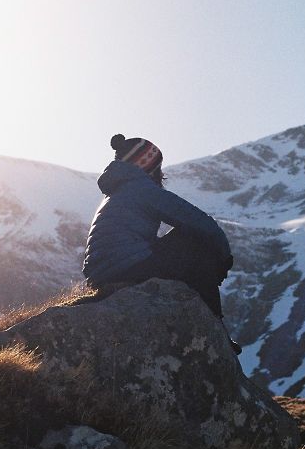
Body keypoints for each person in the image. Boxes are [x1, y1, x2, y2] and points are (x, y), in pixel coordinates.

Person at [82, 134, 241, 354]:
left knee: (187, 244)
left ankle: (212, 323)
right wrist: (223, 257)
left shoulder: (116, 194)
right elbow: (198, 221)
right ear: (150, 167)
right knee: (195, 241)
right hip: (126, 266)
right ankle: (216, 328)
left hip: (104, 272)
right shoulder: (141, 188)